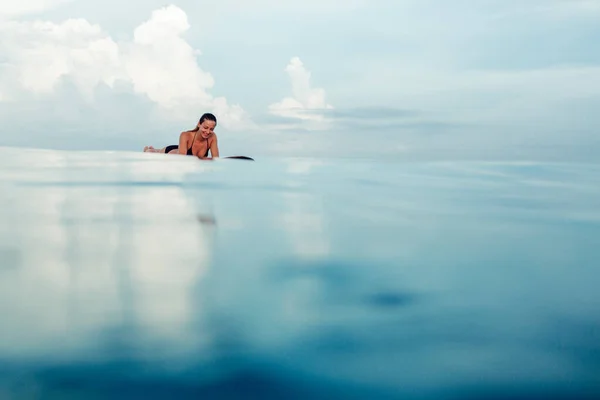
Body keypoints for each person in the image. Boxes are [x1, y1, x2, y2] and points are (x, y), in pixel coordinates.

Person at [144, 113, 220, 159]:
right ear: (199, 124)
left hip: (182, 149)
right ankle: (149, 149)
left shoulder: (212, 137)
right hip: (171, 152)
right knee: (150, 153)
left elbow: (216, 160)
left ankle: (155, 149)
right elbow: (182, 160)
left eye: (211, 129)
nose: (208, 132)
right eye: (205, 128)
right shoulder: (185, 135)